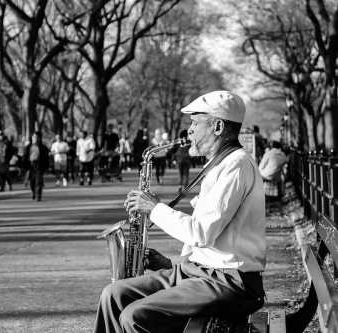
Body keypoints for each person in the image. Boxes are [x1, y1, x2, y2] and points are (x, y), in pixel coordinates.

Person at [95, 90, 266, 333]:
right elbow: (211, 238)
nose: (190, 132)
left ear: (217, 126)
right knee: (113, 294)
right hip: (200, 272)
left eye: (196, 123)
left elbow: (201, 233)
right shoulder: (219, 165)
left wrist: (155, 209)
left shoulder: (236, 166)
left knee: (136, 316)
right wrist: (172, 262)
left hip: (230, 282)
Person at [23, 132, 50, 201]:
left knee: (38, 181)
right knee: (32, 182)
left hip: (39, 165)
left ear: (39, 138)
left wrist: (46, 167)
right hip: (31, 165)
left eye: (36, 137)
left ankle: (38, 195)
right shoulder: (28, 147)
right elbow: (25, 157)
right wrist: (24, 166)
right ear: (32, 138)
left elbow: (46, 158)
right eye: (34, 137)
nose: (35, 138)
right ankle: (34, 192)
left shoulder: (43, 147)